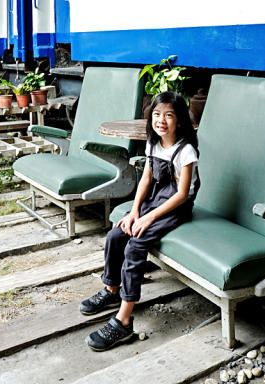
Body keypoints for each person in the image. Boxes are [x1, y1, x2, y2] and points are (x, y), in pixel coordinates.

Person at [80, 91, 200, 351]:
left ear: (179, 120)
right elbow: (146, 178)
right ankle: (111, 290)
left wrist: (149, 217)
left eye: (168, 115)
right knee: (115, 235)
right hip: (152, 203)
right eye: (157, 114)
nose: (161, 120)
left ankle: (123, 321)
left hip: (174, 208)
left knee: (135, 246)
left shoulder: (185, 151)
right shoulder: (153, 143)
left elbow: (181, 194)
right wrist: (135, 211)